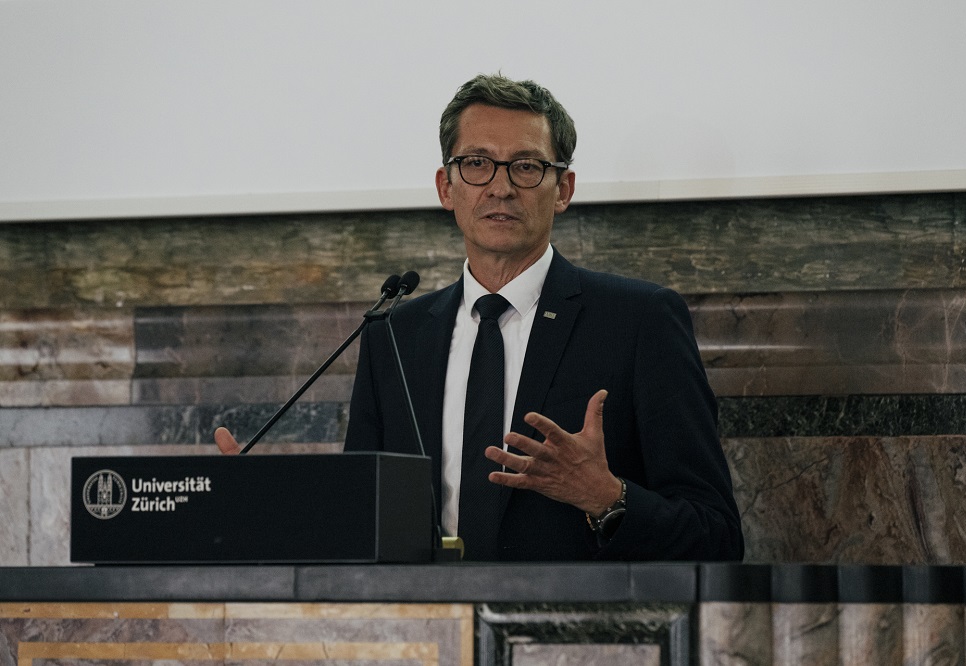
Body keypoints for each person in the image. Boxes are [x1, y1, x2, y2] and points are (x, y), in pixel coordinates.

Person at [218, 74, 743, 562]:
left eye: (527, 166)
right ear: (447, 188)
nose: (500, 187)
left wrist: (607, 497)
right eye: (476, 163)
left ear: (563, 189)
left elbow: (718, 535)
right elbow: (362, 524)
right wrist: (272, 505)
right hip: (425, 625)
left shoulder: (639, 321)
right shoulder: (396, 336)